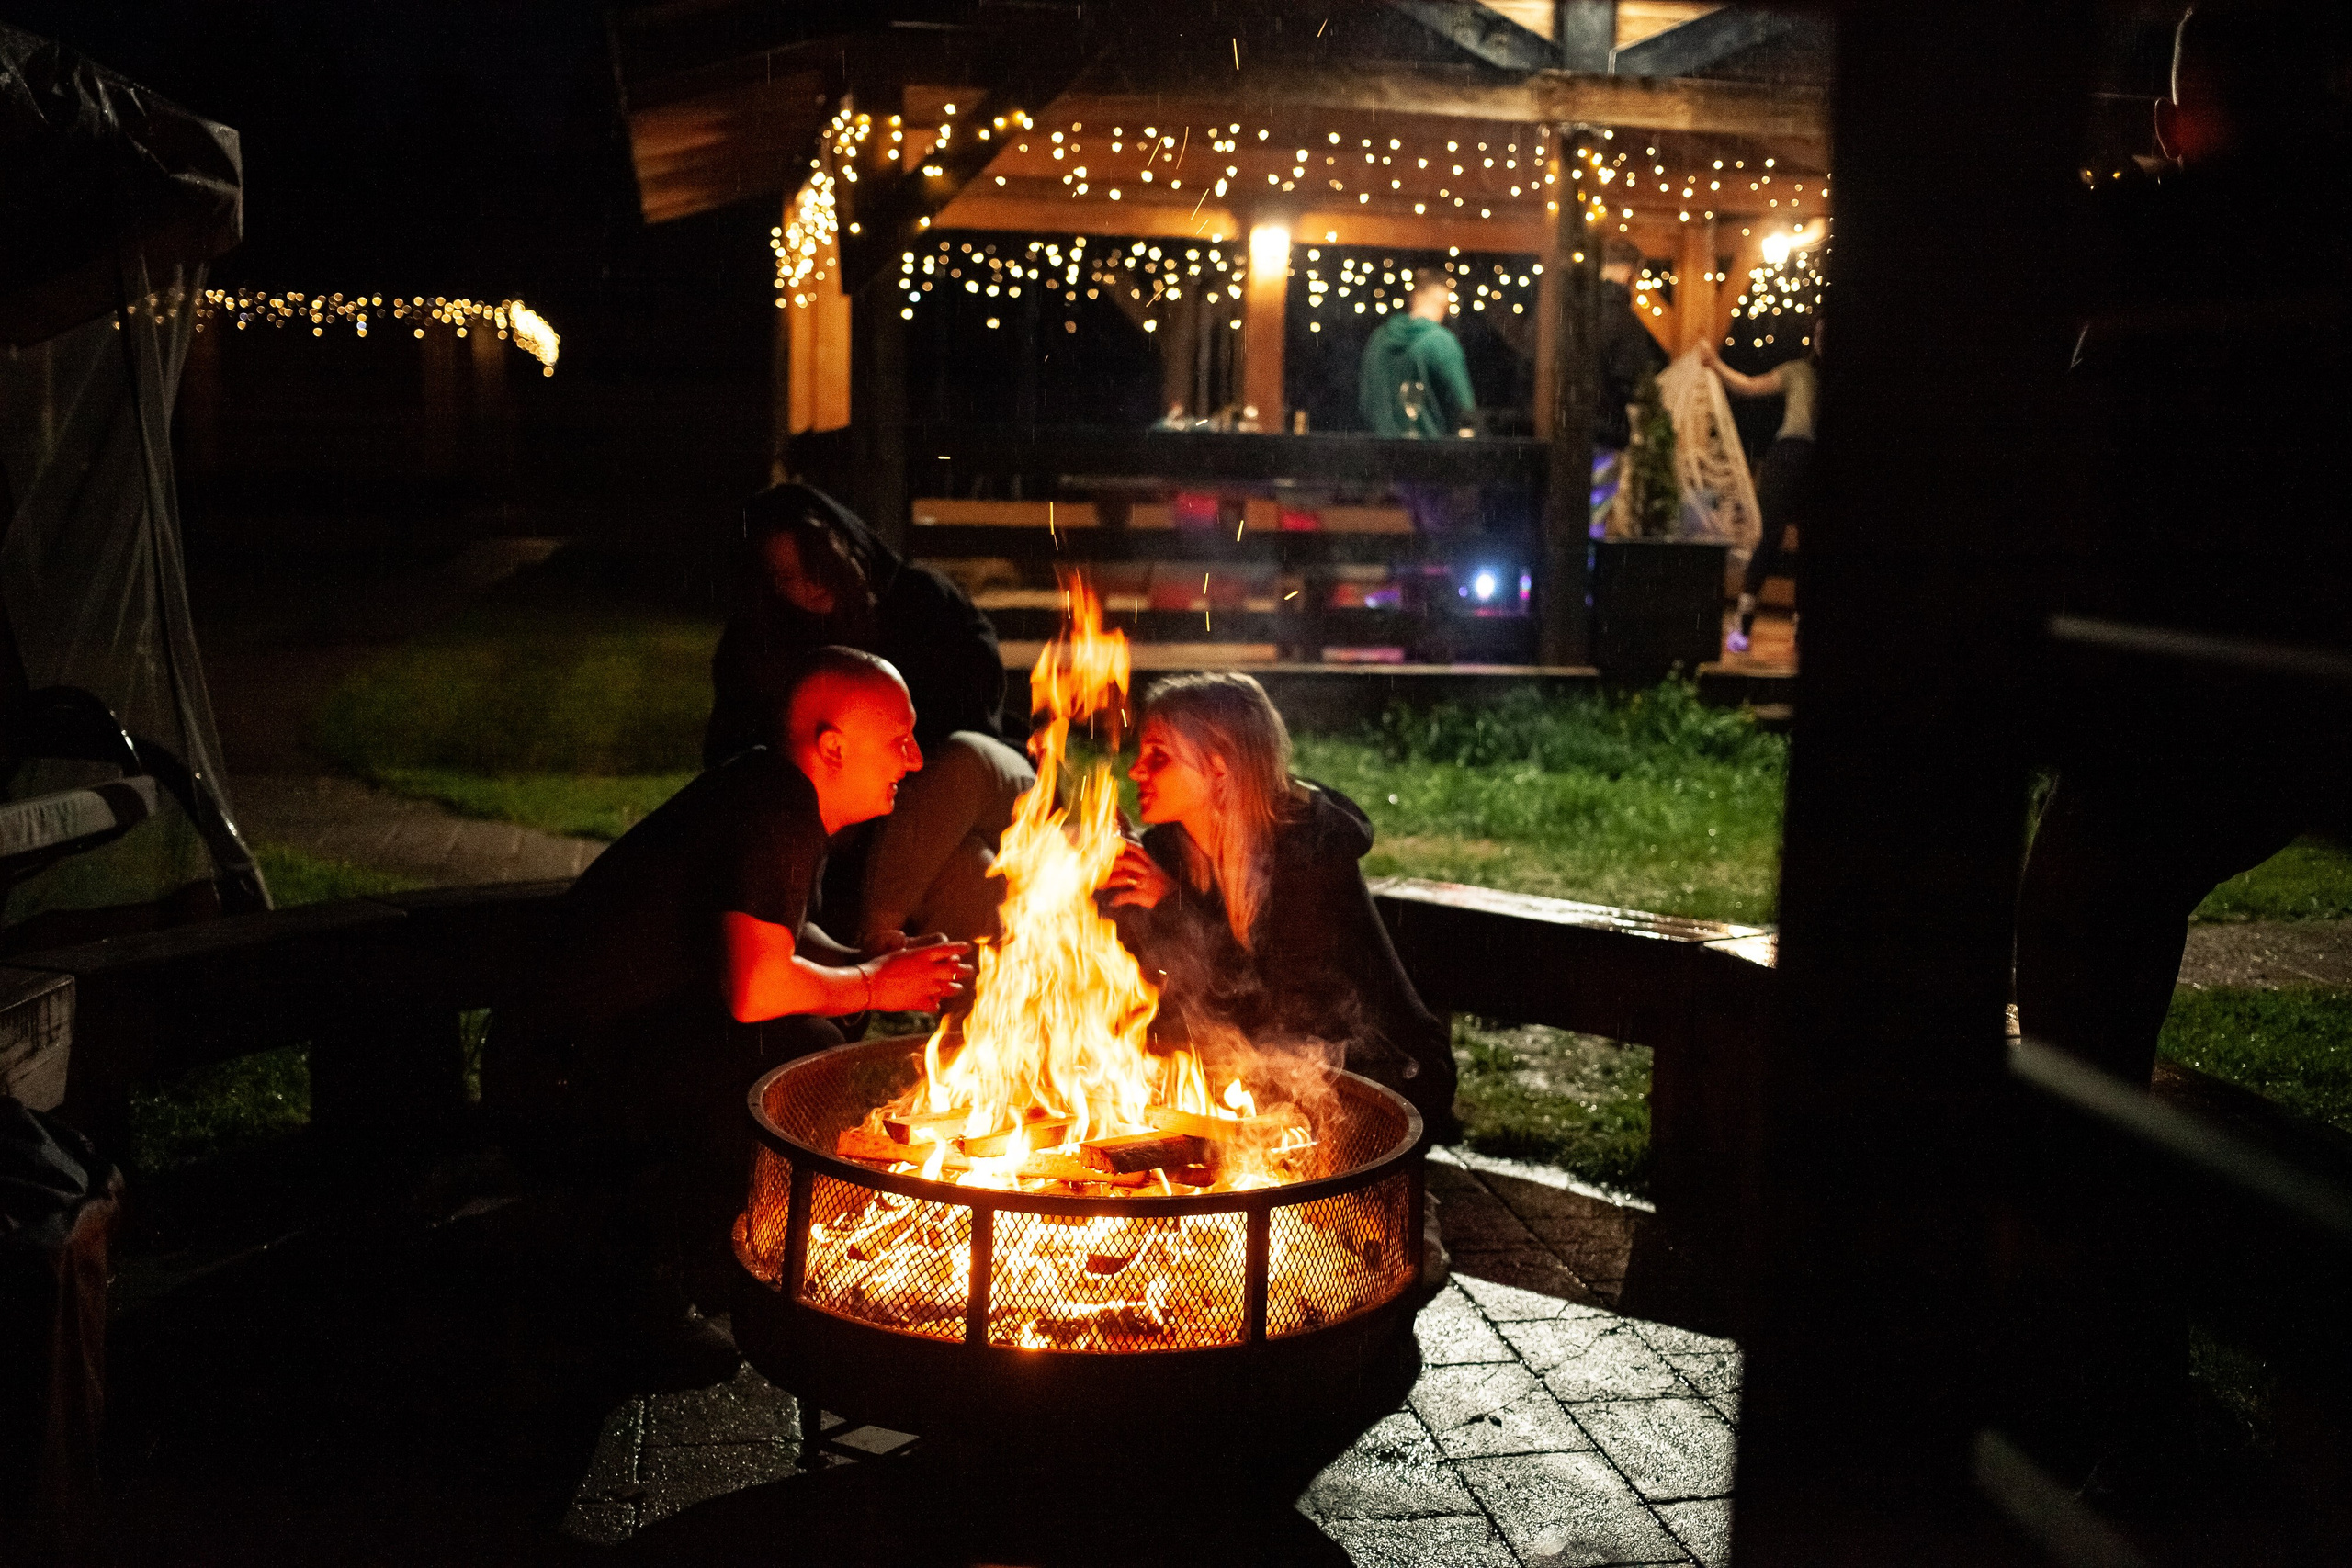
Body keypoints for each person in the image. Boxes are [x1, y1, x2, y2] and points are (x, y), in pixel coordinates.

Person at [510, 649, 976, 1374]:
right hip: (559, 1080)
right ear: (832, 747)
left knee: (810, 1032)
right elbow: (758, 986)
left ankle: (690, 1256)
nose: (915, 759)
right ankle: (646, 1277)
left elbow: (785, 940)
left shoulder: (772, 793)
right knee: (796, 1047)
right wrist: (872, 985)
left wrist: (870, 958)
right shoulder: (777, 812)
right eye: (900, 739)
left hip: (577, 1053)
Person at [1100, 671, 1459, 1142]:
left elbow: (1283, 1007)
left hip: (1382, 1076)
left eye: (1159, 756)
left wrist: (1171, 907)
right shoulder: (1170, 850)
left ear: (1220, 768)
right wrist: (1085, 881)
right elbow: (1147, 980)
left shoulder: (1307, 856)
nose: (1135, 771)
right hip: (1264, 1069)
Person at [704, 482, 1035, 944]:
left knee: (961, 761)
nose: (808, 584)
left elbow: (976, 708)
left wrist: (892, 762)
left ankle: (870, 946)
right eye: (785, 577)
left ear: (845, 546)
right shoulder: (763, 650)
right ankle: (952, 984)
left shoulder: (919, 599)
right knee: (966, 873)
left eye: (816, 563)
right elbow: (742, 761)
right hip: (888, 843)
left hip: (982, 790)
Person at [1699, 318, 1822, 653]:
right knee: (1769, 536)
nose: (1822, 339)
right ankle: (1744, 620)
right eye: (1819, 332)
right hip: (1789, 455)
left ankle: (1801, 628)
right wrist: (1716, 364)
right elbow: (1750, 386)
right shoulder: (1798, 371)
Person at [1360, 272, 1478, 536]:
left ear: (1413, 298)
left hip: (1381, 471)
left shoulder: (1378, 340)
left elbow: (1365, 403)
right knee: (1441, 547)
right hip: (1432, 472)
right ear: (1444, 302)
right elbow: (1465, 410)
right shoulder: (1442, 343)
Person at [1592, 237, 1673, 539]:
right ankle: (1588, 569)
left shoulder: (1570, 313)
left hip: (1560, 434)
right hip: (1603, 435)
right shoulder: (1624, 322)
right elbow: (1635, 383)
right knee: (1594, 521)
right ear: (1630, 274)